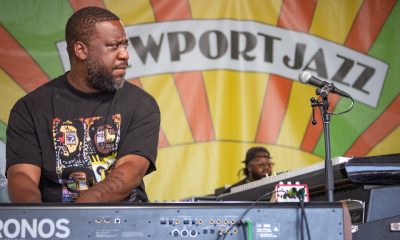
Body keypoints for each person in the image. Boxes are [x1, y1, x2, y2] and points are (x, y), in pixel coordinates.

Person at [6, 7, 160, 203]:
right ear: (81, 50)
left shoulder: (140, 103)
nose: (125, 55)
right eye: (114, 46)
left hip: (125, 228)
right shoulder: (30, 109)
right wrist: (38, 223)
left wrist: (75, 217)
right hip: (54, 228)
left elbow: (130, 171)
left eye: (125, 45)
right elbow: (22, 177)